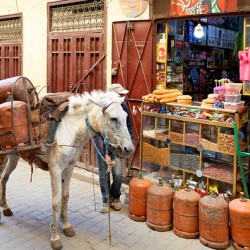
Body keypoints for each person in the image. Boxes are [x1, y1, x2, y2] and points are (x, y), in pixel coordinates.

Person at [95, 83, 134, 213]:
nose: (122, 97)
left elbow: (128, 126)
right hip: (103, 145)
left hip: (117, 146)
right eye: (120, 94)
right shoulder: (102, 108)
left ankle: (115, 196)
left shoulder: (123, 106)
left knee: (117, 174)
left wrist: (129, 142)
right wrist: (104, 152)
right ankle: (105, 199)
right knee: (103, 175)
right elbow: (97, 132)